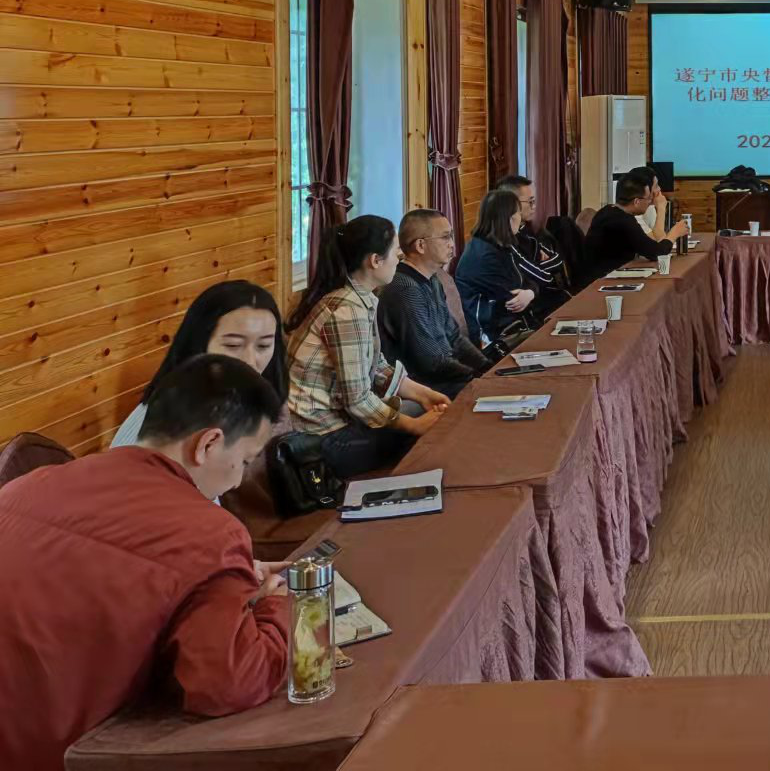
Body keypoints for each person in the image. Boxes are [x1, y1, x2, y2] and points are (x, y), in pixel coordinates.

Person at [0, 356, 289, 770]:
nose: (239, 480)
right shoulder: (211, 534)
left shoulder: (24, 485)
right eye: (244, 461)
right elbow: (231, 683)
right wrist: (277, 605)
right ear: (208, 444)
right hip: (60, 755)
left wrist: (227, 581)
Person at [287, 215, 449, 480]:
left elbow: (377, 367)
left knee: (428, 413)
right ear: (375, 260)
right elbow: (357, 400)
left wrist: (423, 394)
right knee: (428, 433)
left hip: (338, 424)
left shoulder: (358, 298)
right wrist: (415, 426)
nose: (399, 256)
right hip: (321, 438)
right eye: (395, 251)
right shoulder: (347, 310)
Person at [111, 279, 289, 450]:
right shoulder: (165, 418)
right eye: (233, 345)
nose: (250, 360)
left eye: (263, 346)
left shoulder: (266, 399)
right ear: (200, 344)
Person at [378, 208, 491, 394]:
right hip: (422, 387)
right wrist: (477, 377)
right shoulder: (405, 288)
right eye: (446, 237)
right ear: (420, 245)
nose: (452, 244)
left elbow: (454, 337)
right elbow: (430, 363)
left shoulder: (433, 279)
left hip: (446, 375)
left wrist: (487, 366)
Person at [455, 190, 545, 344]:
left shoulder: (499, 245)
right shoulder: (483, 256)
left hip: (509, 324)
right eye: (518, 213)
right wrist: (531, 291)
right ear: (509, 218)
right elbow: (513, 299)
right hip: (492, 336)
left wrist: (530, 292)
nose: (521, 219)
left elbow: (526, 280)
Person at [583, 174, 688, 284]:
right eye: (648, 198)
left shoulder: (607, 210)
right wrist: (674, 234)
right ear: (637, 202)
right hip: (600, 281)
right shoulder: (623, 221)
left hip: (601, 274)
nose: (650, 202)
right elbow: (656, 253)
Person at [494, 174, 570, 316]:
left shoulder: (526, 231)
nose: (534, 206)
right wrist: (538, 267)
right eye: (530, 202)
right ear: (511, 204)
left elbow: (558, 260)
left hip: (538, 297)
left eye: (534, 201)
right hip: (525, 310)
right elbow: (544, 277)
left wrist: (535, 266)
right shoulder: (503, 241)